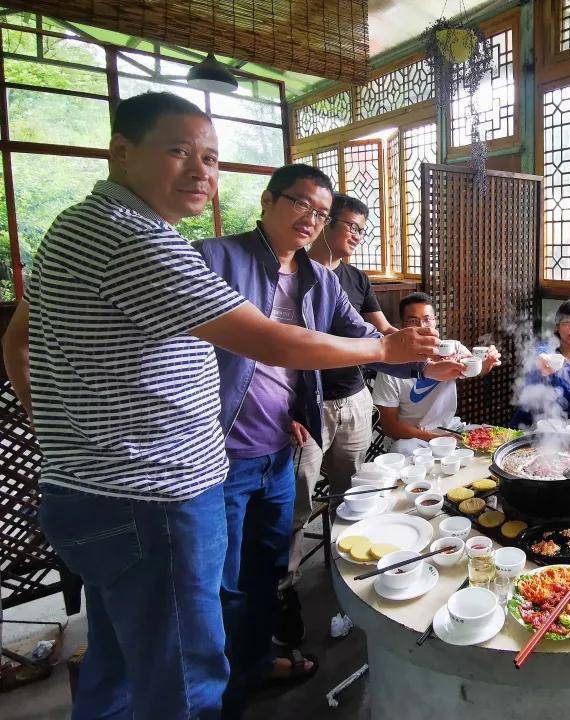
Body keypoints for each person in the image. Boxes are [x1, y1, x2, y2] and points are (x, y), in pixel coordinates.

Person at [1, 92, 438, 720]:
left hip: (119, 486)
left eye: (210, 157)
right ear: (121, 152)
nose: (201, 171)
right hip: (156, 495)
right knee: (184, 674)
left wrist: (415, 357)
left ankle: (254, 663)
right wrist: (389, 343)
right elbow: (265, 338)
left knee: (123, 663)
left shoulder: (79, 227)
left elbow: (18, 341)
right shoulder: (151, 242)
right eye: (179, 151)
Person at [195, 167, 463, 716]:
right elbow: (281, 345)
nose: (311, 220)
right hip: (218, 452)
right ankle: (212, 695)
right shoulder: (215, 258)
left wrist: (434, 357)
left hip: (278, 443)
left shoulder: (320, 279)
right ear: (268, 201)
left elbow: (370, 335)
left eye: (320, 212)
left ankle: (250, 667)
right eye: (302, 206)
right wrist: (390, 353)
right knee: (217, 583)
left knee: (264, 570)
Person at [281, 193, 391, 646]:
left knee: (354, 495)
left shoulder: (355, 278)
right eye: (349, 226)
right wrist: (286, 406)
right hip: (310, 407)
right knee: (297, 504)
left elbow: (381, 334)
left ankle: (353, 577)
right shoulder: (295, 273)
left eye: (362, 230)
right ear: (326, 224)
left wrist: (430, 348)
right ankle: (283, 592)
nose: (356, 237)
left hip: (353, 399)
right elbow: (285, 346)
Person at [372, 292, 500, 454]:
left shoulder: (452, 348)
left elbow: (476, 370)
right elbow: (391, 426)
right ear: (403, 325)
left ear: (435, 321)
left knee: (496, 439)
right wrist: (433, 438)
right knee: (402, 449)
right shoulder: (390, 367)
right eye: (413, 321)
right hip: (413, 438)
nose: (422, 326)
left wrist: (487, 362)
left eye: (427, 319)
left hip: (451, 428)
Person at [510, 298, 570, 428]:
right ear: (557, 326)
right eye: (566, 322)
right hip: (529, 428)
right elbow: (541, 355)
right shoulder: (548, 350)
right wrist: (543, 361)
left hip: (568, 434)